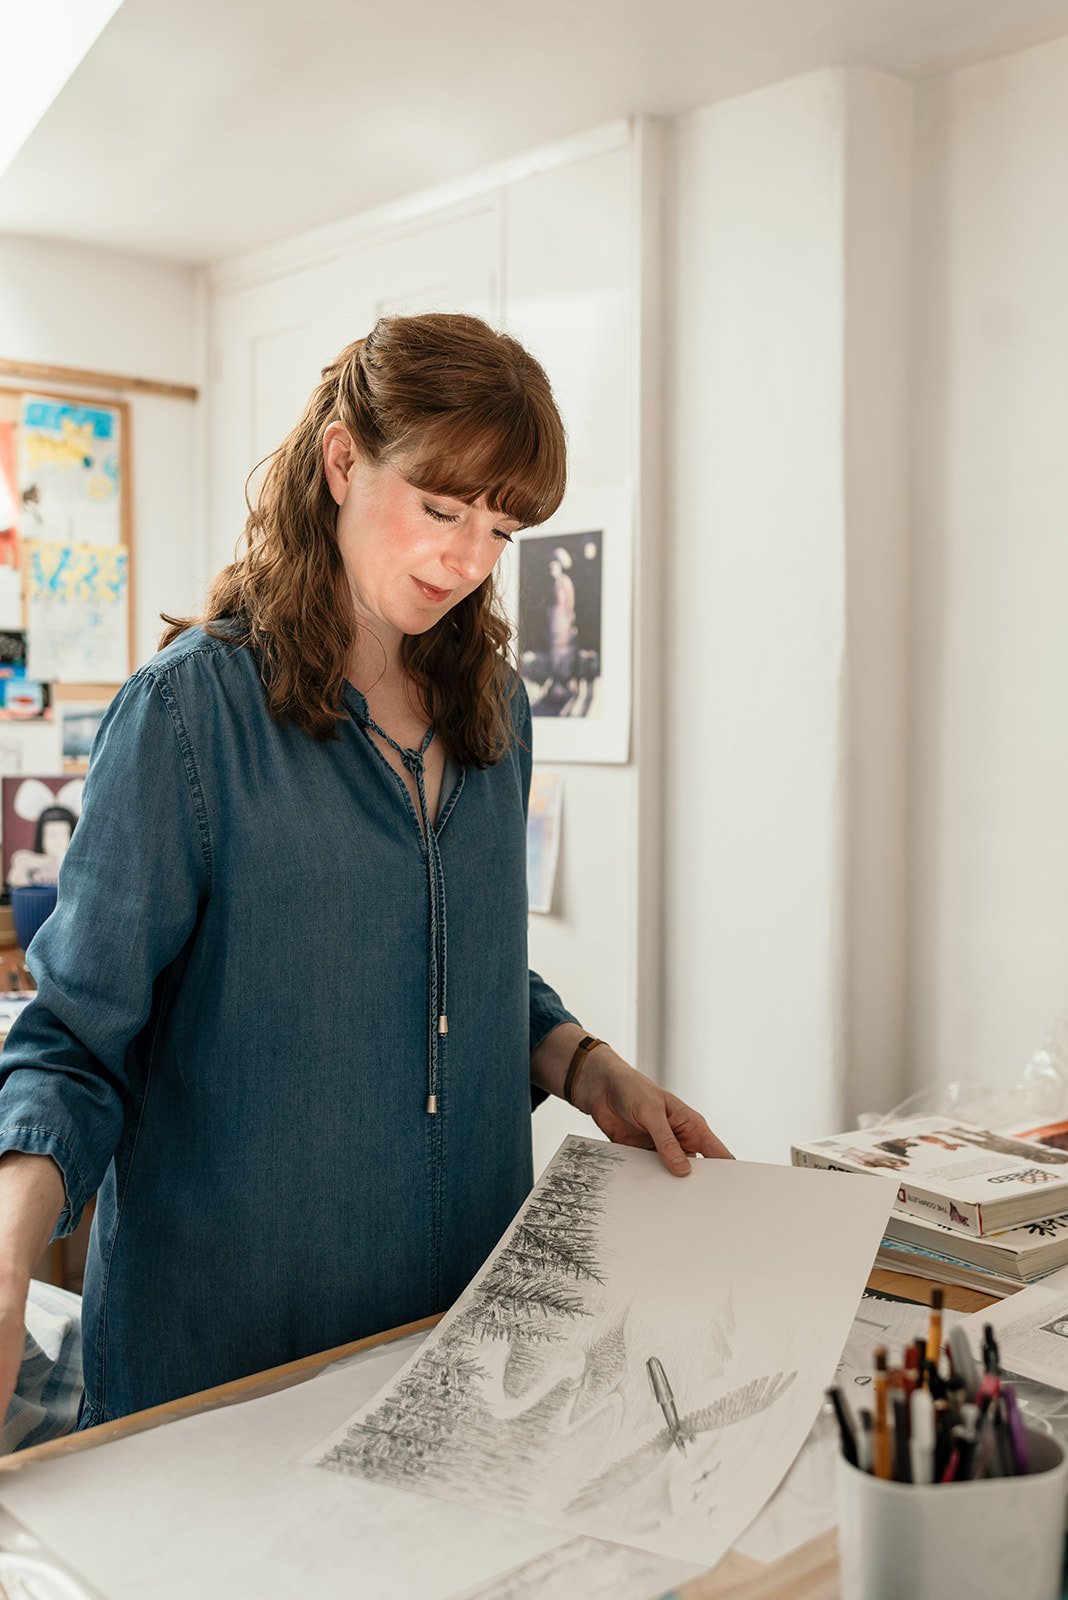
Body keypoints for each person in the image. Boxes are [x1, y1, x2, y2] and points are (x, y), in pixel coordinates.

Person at [0, 313, 730, 1437]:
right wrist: (9, 1256)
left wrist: (589, 1067)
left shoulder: (499, 710)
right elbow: (73, 1039)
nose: (468, 559)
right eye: (441, 509)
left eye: (501, 528)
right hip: (223, 1374)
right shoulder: (191, 715)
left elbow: (462, 975)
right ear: (343, 461)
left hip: (457, 1349)